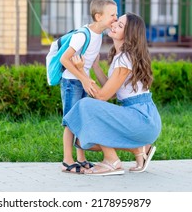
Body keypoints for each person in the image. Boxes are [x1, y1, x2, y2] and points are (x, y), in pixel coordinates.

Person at [62, 12, 162, 176]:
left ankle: (112, 161)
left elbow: (102, 96)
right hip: (140, 117)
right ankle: (140, 149)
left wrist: (81, 71)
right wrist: (95, 67)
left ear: (129, 34)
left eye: (120, 25)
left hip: (142, 118)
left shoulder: (125, 59)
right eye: (116, 21)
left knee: (86, 105)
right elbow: (114, 94)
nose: (114, 25)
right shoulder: (120, 56)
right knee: (83, 140)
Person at [60, 0, 118, 174]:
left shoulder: (99, 35)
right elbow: (65, 59)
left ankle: (81, 158)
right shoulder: (82, 35)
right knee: (71, 121)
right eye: (112, 15)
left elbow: (89, 63)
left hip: (82, 81)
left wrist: (88, 76)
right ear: (98, 16)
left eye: (116, 15)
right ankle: (67, 159)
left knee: (83, 118)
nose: (115, 18)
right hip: (72, 82)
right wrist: (84, 79)